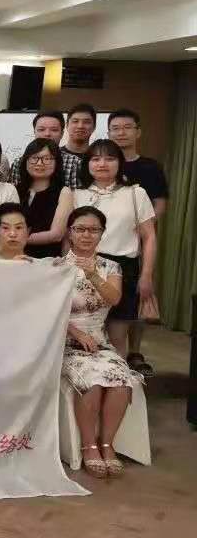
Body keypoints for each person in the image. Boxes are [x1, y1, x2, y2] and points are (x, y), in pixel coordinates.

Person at [61, 205, 141, 478]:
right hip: (66, 343)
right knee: (93, 383)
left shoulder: (111, 266)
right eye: (80, 229)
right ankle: (88, 447)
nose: (87, 235)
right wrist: (76, 333)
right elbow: (48, 311)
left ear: (102, 233)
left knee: (120, 379)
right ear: (70, 233)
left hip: (100, 343)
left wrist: (93, 273)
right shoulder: (56, 267)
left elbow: (114, 299)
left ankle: (107, 445)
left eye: (94, 230)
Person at [73, 139, 157, 368]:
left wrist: (146, 275)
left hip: (123, 268)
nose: (102, 164)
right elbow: (68, 237)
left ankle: (118, 378)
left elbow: (149, 237)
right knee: (83, 332)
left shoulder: (136, 193)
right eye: (96, 159)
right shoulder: (77, 194)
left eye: (109, 158)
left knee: (117, 336)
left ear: (120, 163)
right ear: (87, 164)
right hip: (84, 266)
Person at [106, 108, 167, 377]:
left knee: (139, 294)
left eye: (127, 127)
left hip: (139, 239)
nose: (121, 132)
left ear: (138, 132)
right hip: (108, 241)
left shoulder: (150, 167)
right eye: (115, 128)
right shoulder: (102, 163)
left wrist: (142, 226)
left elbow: (160, 203)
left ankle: (135, 350)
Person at [15, 138, 73, 258]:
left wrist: (16, 239)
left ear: (57, 163)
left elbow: (56, 235)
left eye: (47, 159)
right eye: (34, 158)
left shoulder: (64, 192)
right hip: (14, 258)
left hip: (47, 260)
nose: (39, 163)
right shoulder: (14, 190)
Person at [11, 111, 66, 187]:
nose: (47, 134)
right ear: (34, 132)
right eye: (41, 129)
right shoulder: (19, 163)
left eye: (54, 130)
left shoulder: (74, 163)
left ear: (62, 134)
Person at [60, 104, 96, 190]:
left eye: (86, 122)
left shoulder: (99, 159)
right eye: (75, 121)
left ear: (94, 127)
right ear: (67, 125)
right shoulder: (56, 156)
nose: (80, 126)